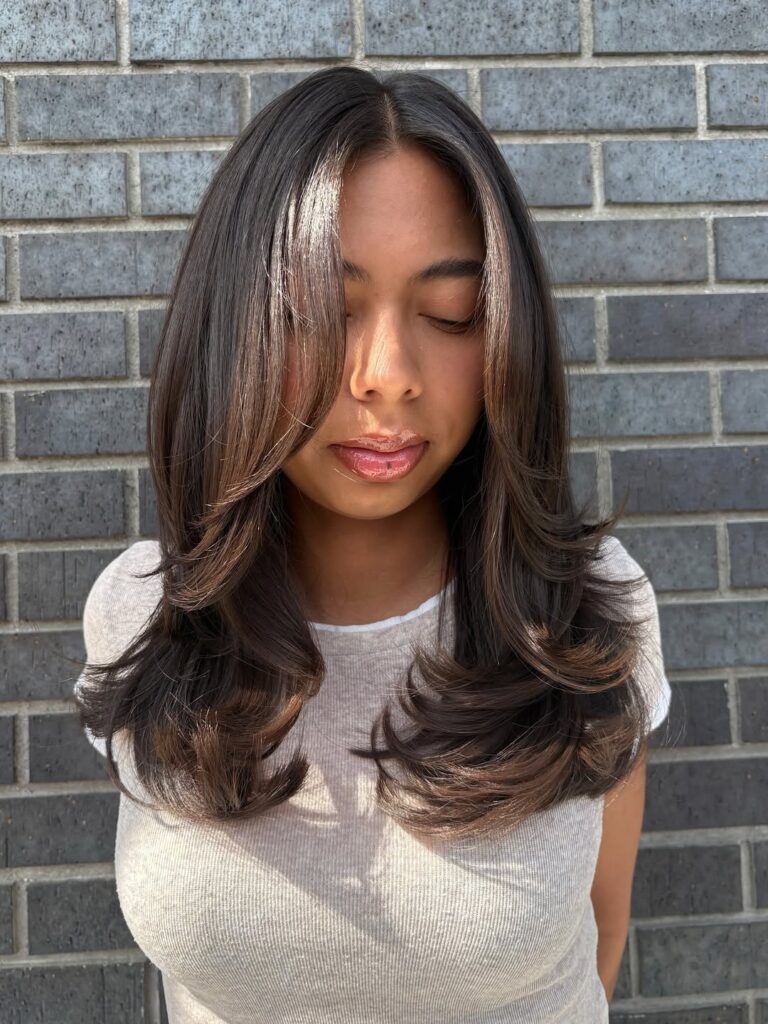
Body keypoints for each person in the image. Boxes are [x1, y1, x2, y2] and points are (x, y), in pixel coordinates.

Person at [74, 65, 671, 1023]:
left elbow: (603, 924)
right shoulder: (140, 615)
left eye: (451, 314)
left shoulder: (586, 614)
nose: (388, 375)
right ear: (235, 326)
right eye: (323, 308)